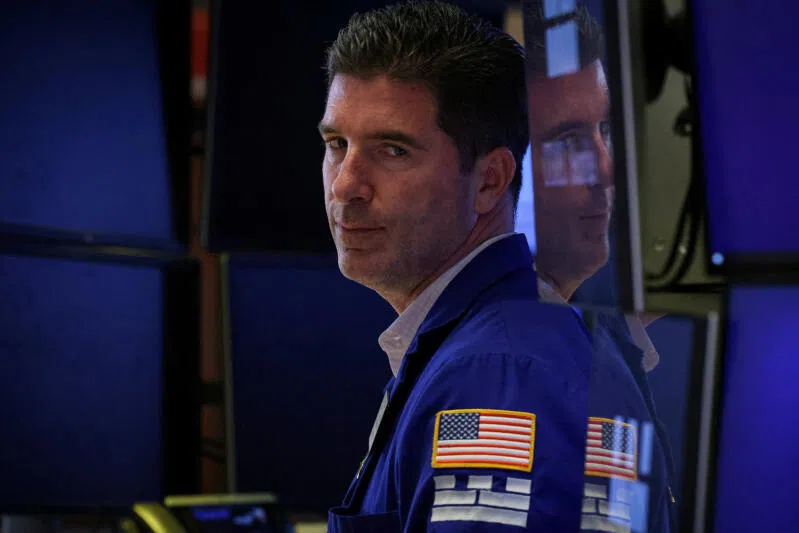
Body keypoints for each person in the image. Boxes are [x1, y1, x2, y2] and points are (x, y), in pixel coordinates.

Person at [318, 2, 595, 531]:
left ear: (489, 181)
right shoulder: (472, 346)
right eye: (337, 145)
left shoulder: (496, 378)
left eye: (393, 151)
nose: (345, 184)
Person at [522, 3, 677, 532]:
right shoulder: (516, 361)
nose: (606, 168)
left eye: (605, 129)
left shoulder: (585, 327)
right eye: (567, 141)